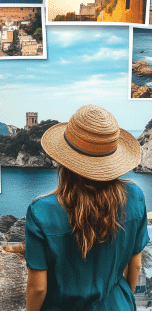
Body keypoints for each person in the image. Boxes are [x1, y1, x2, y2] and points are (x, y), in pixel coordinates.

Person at [25, 105, 150, 311]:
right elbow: (135, 265)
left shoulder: (41, 212)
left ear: (65, 159)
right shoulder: (135, 197)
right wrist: (121, 298)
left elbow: (38, 289)